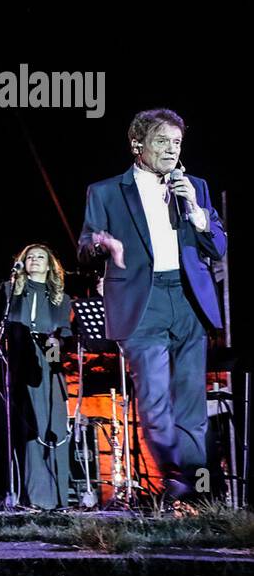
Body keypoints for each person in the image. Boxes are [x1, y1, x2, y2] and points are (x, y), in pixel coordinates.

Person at [78, 108, 226, 504]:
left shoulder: (195, 186)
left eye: (177, 142)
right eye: (162, 141)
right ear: (137, 144)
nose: (171, 150)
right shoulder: (106, 191)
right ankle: (176, 478)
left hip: (188, 299)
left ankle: (197, 492)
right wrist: (101, 245)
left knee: (192, 403)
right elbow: (84, 249)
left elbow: (218, 246)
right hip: (140, 302)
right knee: (157, 402)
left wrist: (196, 212)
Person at [0, 245, 74, 509]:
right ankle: (5, 494)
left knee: (42, 429)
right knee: (6, 430)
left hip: (43, 367)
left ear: (50, 266)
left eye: (40, 257)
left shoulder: (61, 299)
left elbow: (63, 335)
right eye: (29, 257)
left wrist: (54, 351)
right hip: (10, 366)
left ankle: (44, 497)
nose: (34, 260)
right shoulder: (9, 292)